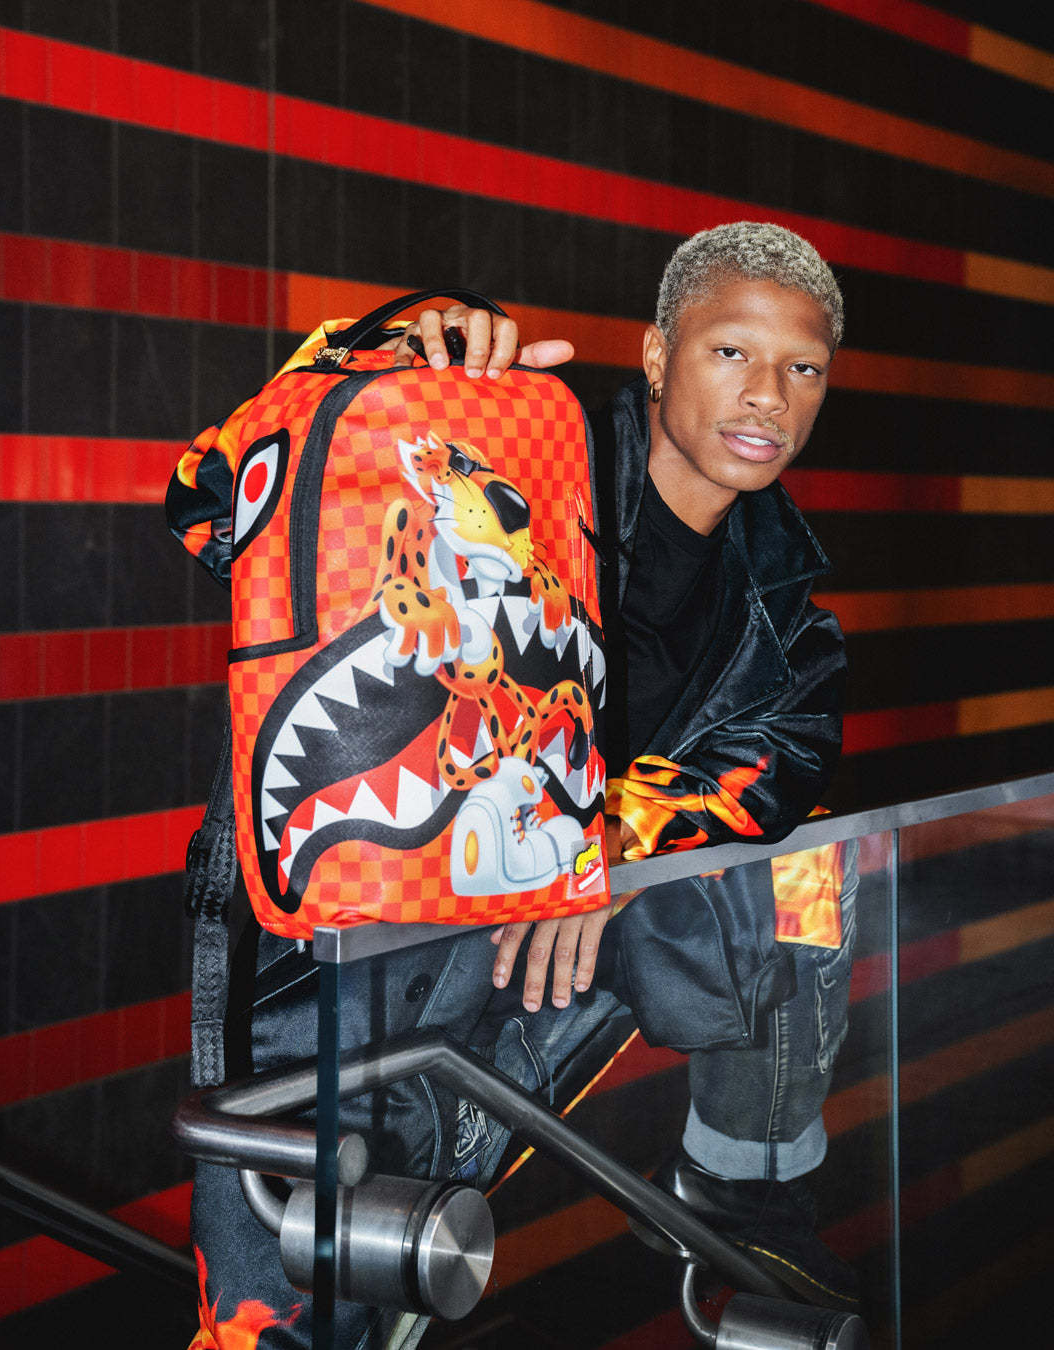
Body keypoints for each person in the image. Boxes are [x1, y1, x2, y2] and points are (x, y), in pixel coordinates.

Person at [169, 222, 857, 1350]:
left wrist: (605, 844)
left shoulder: (783, 608)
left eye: (804, 368)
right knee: (280, 1320)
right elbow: (208, 504)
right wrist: (384, 360)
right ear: (656, 356)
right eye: (732, 352)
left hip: (544, 956)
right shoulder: (498, 448)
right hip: (350, 941)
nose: (768, 396)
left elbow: (783, 761)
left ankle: (743, 1186)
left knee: (809, 860)